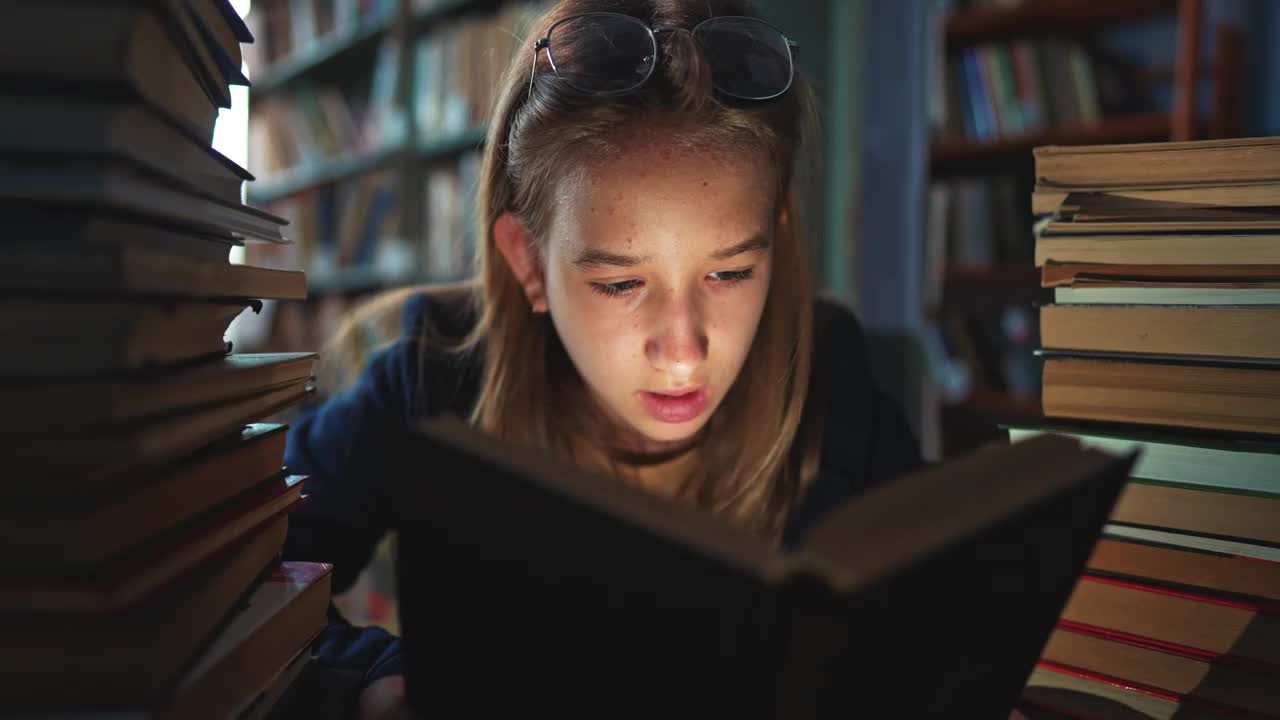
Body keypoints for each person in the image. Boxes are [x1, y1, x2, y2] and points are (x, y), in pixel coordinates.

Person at [279, 0, 927, 717]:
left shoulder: (835, 388)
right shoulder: (433, 379)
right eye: (620, 283)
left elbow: (943, 613)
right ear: (528, 264)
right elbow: (246, 569)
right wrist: (370, 676)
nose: (683, 348)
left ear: (774, 240)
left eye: (731, 273)